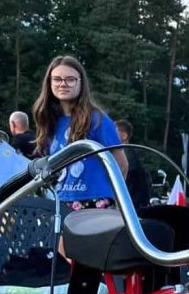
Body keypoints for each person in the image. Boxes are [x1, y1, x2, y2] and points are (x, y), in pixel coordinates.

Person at [32, 55, 127, 210]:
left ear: (81, 83)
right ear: (49, 83)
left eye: (70, 79)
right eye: (57, 79)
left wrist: (114, 198)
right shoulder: (49, 120)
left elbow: (121, 165)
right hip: (60, 200)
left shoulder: (98, 119)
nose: (63, 84)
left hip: (96, 201)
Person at [114, 118, 151, 212]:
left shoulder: (127, 157)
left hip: (128, 207)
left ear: (124, 136)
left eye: (114, 132)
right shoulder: (129, 154)